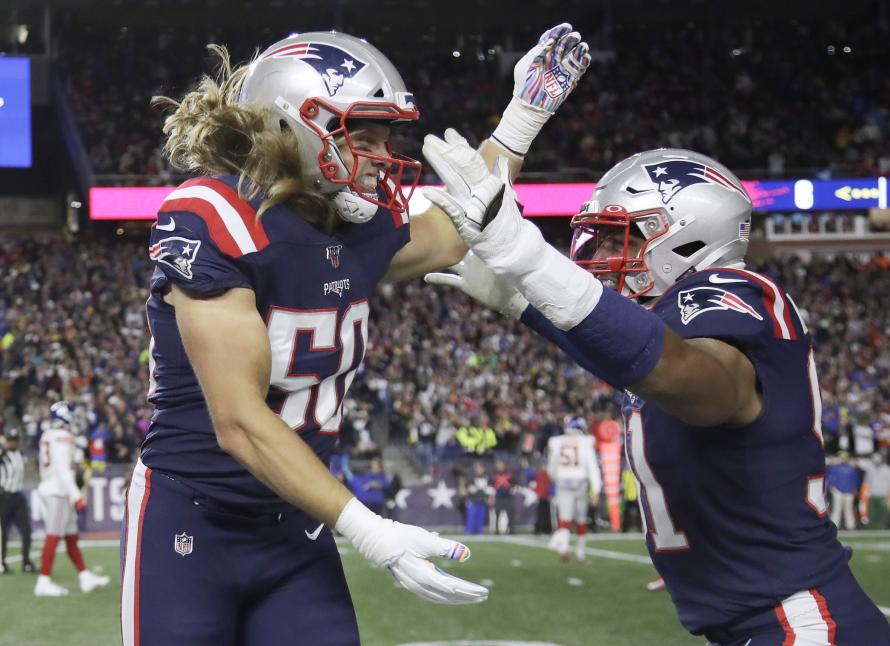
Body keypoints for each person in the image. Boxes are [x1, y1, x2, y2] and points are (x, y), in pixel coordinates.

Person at [125, 25, 591, 646]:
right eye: (361, 132)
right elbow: (237, 420)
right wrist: (368, 529)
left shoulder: (356, 224)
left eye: (386, 134)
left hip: (297, 523)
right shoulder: (216, 217)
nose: (381, 152)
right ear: (292, 126)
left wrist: (523, 117)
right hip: (189, 520)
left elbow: (463, 226)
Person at [424, 144, 890, 644]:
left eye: (617, 239)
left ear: (686, 238)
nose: (600, 259)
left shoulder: (729, 290)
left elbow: (693, 384)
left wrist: (532, 261)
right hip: (763, 624)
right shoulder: (662, 330)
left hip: (798, 623)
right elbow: (635, 360)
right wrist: (525, 303)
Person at [35, 402, 109, 597]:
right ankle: (43, 581)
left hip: (54, 488)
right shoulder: (61, 436)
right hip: (57, 491)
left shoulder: (48, 434)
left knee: (71, 536)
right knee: (53, 535)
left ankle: (85, 577)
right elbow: (62, 470)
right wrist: (76, 495)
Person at [546, 416, 601, 562]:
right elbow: (592, 467)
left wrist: (555, 478)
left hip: (563, 482)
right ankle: (580, 552)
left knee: (564, 519)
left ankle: (564, 549)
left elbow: (552, 467)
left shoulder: (557, 442)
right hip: (580, 483)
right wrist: (596, 489)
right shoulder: (586, 442)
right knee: (581, 519)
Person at [0, 428, 36, 574]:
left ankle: (26, 563)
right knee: (3, 533)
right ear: (6, 441)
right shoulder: (2, 456)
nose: (13, 443)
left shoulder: (20, 455)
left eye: (15, 440)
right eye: (11, 440)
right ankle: (2, 564)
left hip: (18, 497)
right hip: (4, 497)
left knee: (26, 531)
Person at [859, 453, 890, 529]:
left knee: (883, 515)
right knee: (872, 514)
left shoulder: (888, 469)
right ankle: (873, 528)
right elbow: (866, 484)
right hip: (872, 496)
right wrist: (864, 496)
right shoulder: (870, 469)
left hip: (884, 496)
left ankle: (882, 528)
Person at [827, 453, 859, 530]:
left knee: (842, 509)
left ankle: (848, 526)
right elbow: (830, 480)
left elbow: (855, 480)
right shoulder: (836, 468)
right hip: (842, 491)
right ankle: (845, 526)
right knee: (841, 509)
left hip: (844, 491)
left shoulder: (849, 468)